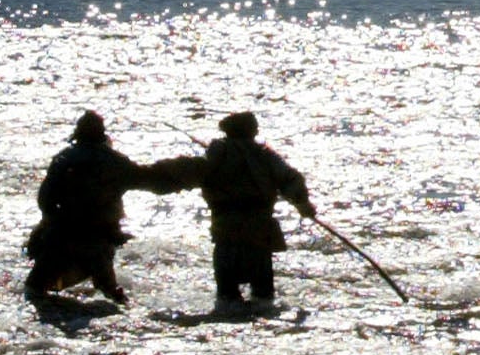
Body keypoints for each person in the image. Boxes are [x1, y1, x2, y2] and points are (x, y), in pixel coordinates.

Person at [150, 111, 315, 306]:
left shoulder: (215, 156)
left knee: (227, 295)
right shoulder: (266, 156)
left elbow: (188, 172)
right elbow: (290, 179)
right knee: (263, 294)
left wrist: (153, 177)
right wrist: (303, 205)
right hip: (259, 229)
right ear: (252, 131)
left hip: (226, 228)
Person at [21, 111, 178, 304]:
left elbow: (45, 199)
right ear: (102, 136)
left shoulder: (64, 158)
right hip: (100, 235)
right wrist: (178, 176)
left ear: (77, 135)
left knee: (34, 290)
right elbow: (148, 181)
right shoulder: (115, 160)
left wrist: (49, 222)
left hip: (62, 233)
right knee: (111, 292)